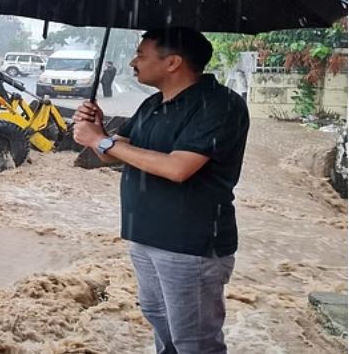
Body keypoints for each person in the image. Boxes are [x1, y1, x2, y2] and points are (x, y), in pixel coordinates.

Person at [72, 27, 249, 354]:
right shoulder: (154, 103)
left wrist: (100, 139)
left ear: (173, 63)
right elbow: (111, 153)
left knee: (194, 342)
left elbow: (177, 168)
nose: (132, 62)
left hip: (190, 244)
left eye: (141, 55)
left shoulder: (220, 105)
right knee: (161, 324)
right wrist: (98, 129)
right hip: (146, 236)